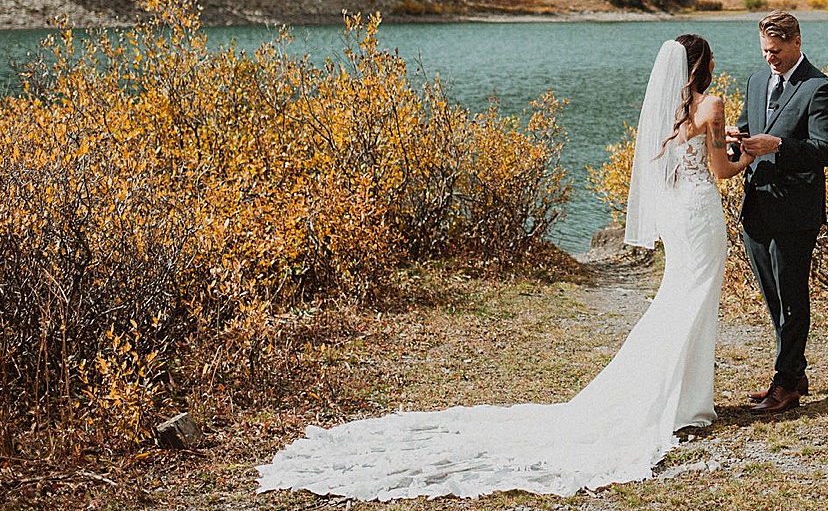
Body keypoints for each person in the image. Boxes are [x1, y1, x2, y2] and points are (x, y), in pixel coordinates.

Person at [257, 34, 745, 500]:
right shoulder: (713, 105)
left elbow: (685, 157)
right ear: (703, 66)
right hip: (700, 211)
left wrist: (726, 145)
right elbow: (720, 169)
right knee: (694, 300)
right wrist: (750, 152)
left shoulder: (669, 113)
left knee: (679, 298)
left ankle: (682, 400)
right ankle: (683, 403)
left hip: (680, 213)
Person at [729, 11, 828, 415]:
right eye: (764, 51)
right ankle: (792, 373)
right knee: (773, 298)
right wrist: (734, 140)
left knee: (792, 298)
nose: (770, 59)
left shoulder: (821, 88)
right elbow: (747, 131)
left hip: (796, 213)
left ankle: (786, 382)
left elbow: (825, 151)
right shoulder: (756, 81)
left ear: (796, 42)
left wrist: (778, 145)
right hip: (757, 207)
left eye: (776, 51)